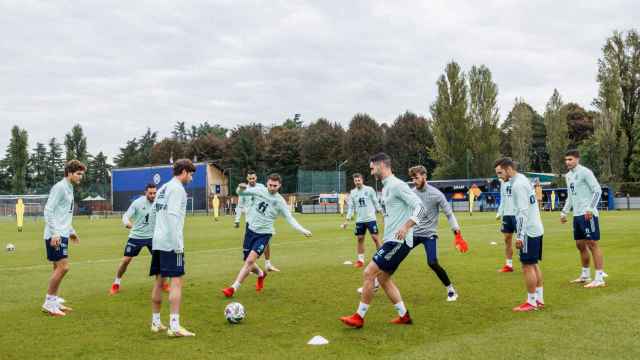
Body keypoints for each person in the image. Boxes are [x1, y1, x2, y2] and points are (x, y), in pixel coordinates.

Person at [340, 153, 426, 328]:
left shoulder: (397, 185)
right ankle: (404, 316)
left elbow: (420, 207)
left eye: (372, 168)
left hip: (398, 241)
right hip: (391, 240)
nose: (371, 172)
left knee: (369, 273)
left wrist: (407, 225)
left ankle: (359, 317)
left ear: (381, 165)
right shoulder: (386, 187)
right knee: (384, 279)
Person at [222, 173, 312, 297]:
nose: (272, 187)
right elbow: (241, 193)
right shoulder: (259, 191)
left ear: (279, 185)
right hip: (250, 231)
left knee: (249, 261)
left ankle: (233, 288)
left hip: (264, 234)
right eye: (270, 185)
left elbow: (290, 218)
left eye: (275, 185)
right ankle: (261, 274)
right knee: (248, 261)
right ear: (267, 183)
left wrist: (302, 229)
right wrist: (241, 188)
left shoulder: (280, 202)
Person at [149, 159, 196, 337]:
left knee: (159, 281)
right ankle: (174, 327)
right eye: (191, 174)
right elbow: (173, 217)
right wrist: (178, 245)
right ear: (184, 171)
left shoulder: (163, 188)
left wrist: (157, 234)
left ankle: (155, 323)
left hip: (158, 241)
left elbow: (153, 213)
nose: (191, 178)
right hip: (171, 243)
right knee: (176, 281)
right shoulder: (177, 189)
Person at [408, 165, 468, 302]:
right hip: (413, 233)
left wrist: (457, 233)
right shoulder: (411, 193)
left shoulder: (436, 194)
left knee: (432, 262)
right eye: (412, 179)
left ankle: (451, 290)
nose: (414, 181)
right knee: (394, 256)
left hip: (429, 234)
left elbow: (449, 214)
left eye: (416, 178)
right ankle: (375, 283)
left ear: (424, 176)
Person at [494, 158, 545, 312]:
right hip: (536, 227)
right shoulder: (523, 179)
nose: (499, 177)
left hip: (528, 230)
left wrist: (520, 236)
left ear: (509, 169)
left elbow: (522, 213)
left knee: (527, 266)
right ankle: (539, 299)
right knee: (534, 264)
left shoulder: (517, 185)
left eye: (500, 173)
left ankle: (531, 302)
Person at [41, 160, 86, 317]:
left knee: (57, 267)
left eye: (82, 174)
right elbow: (48, 210)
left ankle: (54, 301)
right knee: (63, 267)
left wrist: (71, 231)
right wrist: (54, 233)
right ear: (69, 173)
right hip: (56, 235)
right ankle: (48, 303)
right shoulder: (60, 187)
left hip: (63, 233)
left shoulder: (70, 187)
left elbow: (64, 213)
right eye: (78, 174)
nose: (81, 177)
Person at [110, 183, 168, 295]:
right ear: (145, 192)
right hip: (136, 236)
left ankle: (163, 284)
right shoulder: (137, 203)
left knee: (160, 262)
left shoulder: (159, 202)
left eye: (154, 193)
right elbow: (126, 216)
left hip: (153, 237)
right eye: (150, 193)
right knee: (126, 261)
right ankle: (116, 283)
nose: (153, 195)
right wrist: (127, 223)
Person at [561, 150, 606, 288]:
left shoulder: (585, 172)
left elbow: (597, 190)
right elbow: (570, 195)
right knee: (580, 245)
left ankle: (599, 278)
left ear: (577, 159)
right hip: (577, 215)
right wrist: (564, 212)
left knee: (592, 243)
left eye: (570, 159)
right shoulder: (568, 176)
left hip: (588, 214)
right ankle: (585, 275)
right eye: (566, 160)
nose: (567, 162)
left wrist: (590, 209)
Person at [234, 170, 280, 272]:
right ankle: (251, 266)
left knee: (266, 242)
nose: (252, 180)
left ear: (256, 178)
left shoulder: (262, 187)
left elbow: (271, 196)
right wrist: (237, 220)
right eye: (250, 178)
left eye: (253, 178)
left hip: (263, 220)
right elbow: (240, 205)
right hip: (250, 221)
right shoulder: (244, 189)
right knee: (249, 246)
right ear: (247, 179)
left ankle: (267, 263)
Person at [341, 173, 382, 268]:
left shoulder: (369, 189)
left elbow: (375, 201)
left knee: (375, 238)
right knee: (360, 239)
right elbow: (351, 207)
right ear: (354, 182)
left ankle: (382, 259)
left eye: (359, 180)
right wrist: (347, 220)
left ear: (362, 180)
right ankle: (360, 260)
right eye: (355, 181)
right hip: (360, 220)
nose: (357, 182)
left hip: (371, 218)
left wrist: (381, 212)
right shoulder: (353, 192)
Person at [496, 177, 517, 273]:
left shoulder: (518, 180)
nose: (499, 175)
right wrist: (499, 212)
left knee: (521, 240)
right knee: (507, 239)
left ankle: (527, 263)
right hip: (507, 214)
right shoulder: (502, 183)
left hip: (518, 214)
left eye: (501, 172)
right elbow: (503, 198)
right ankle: (509, 265)